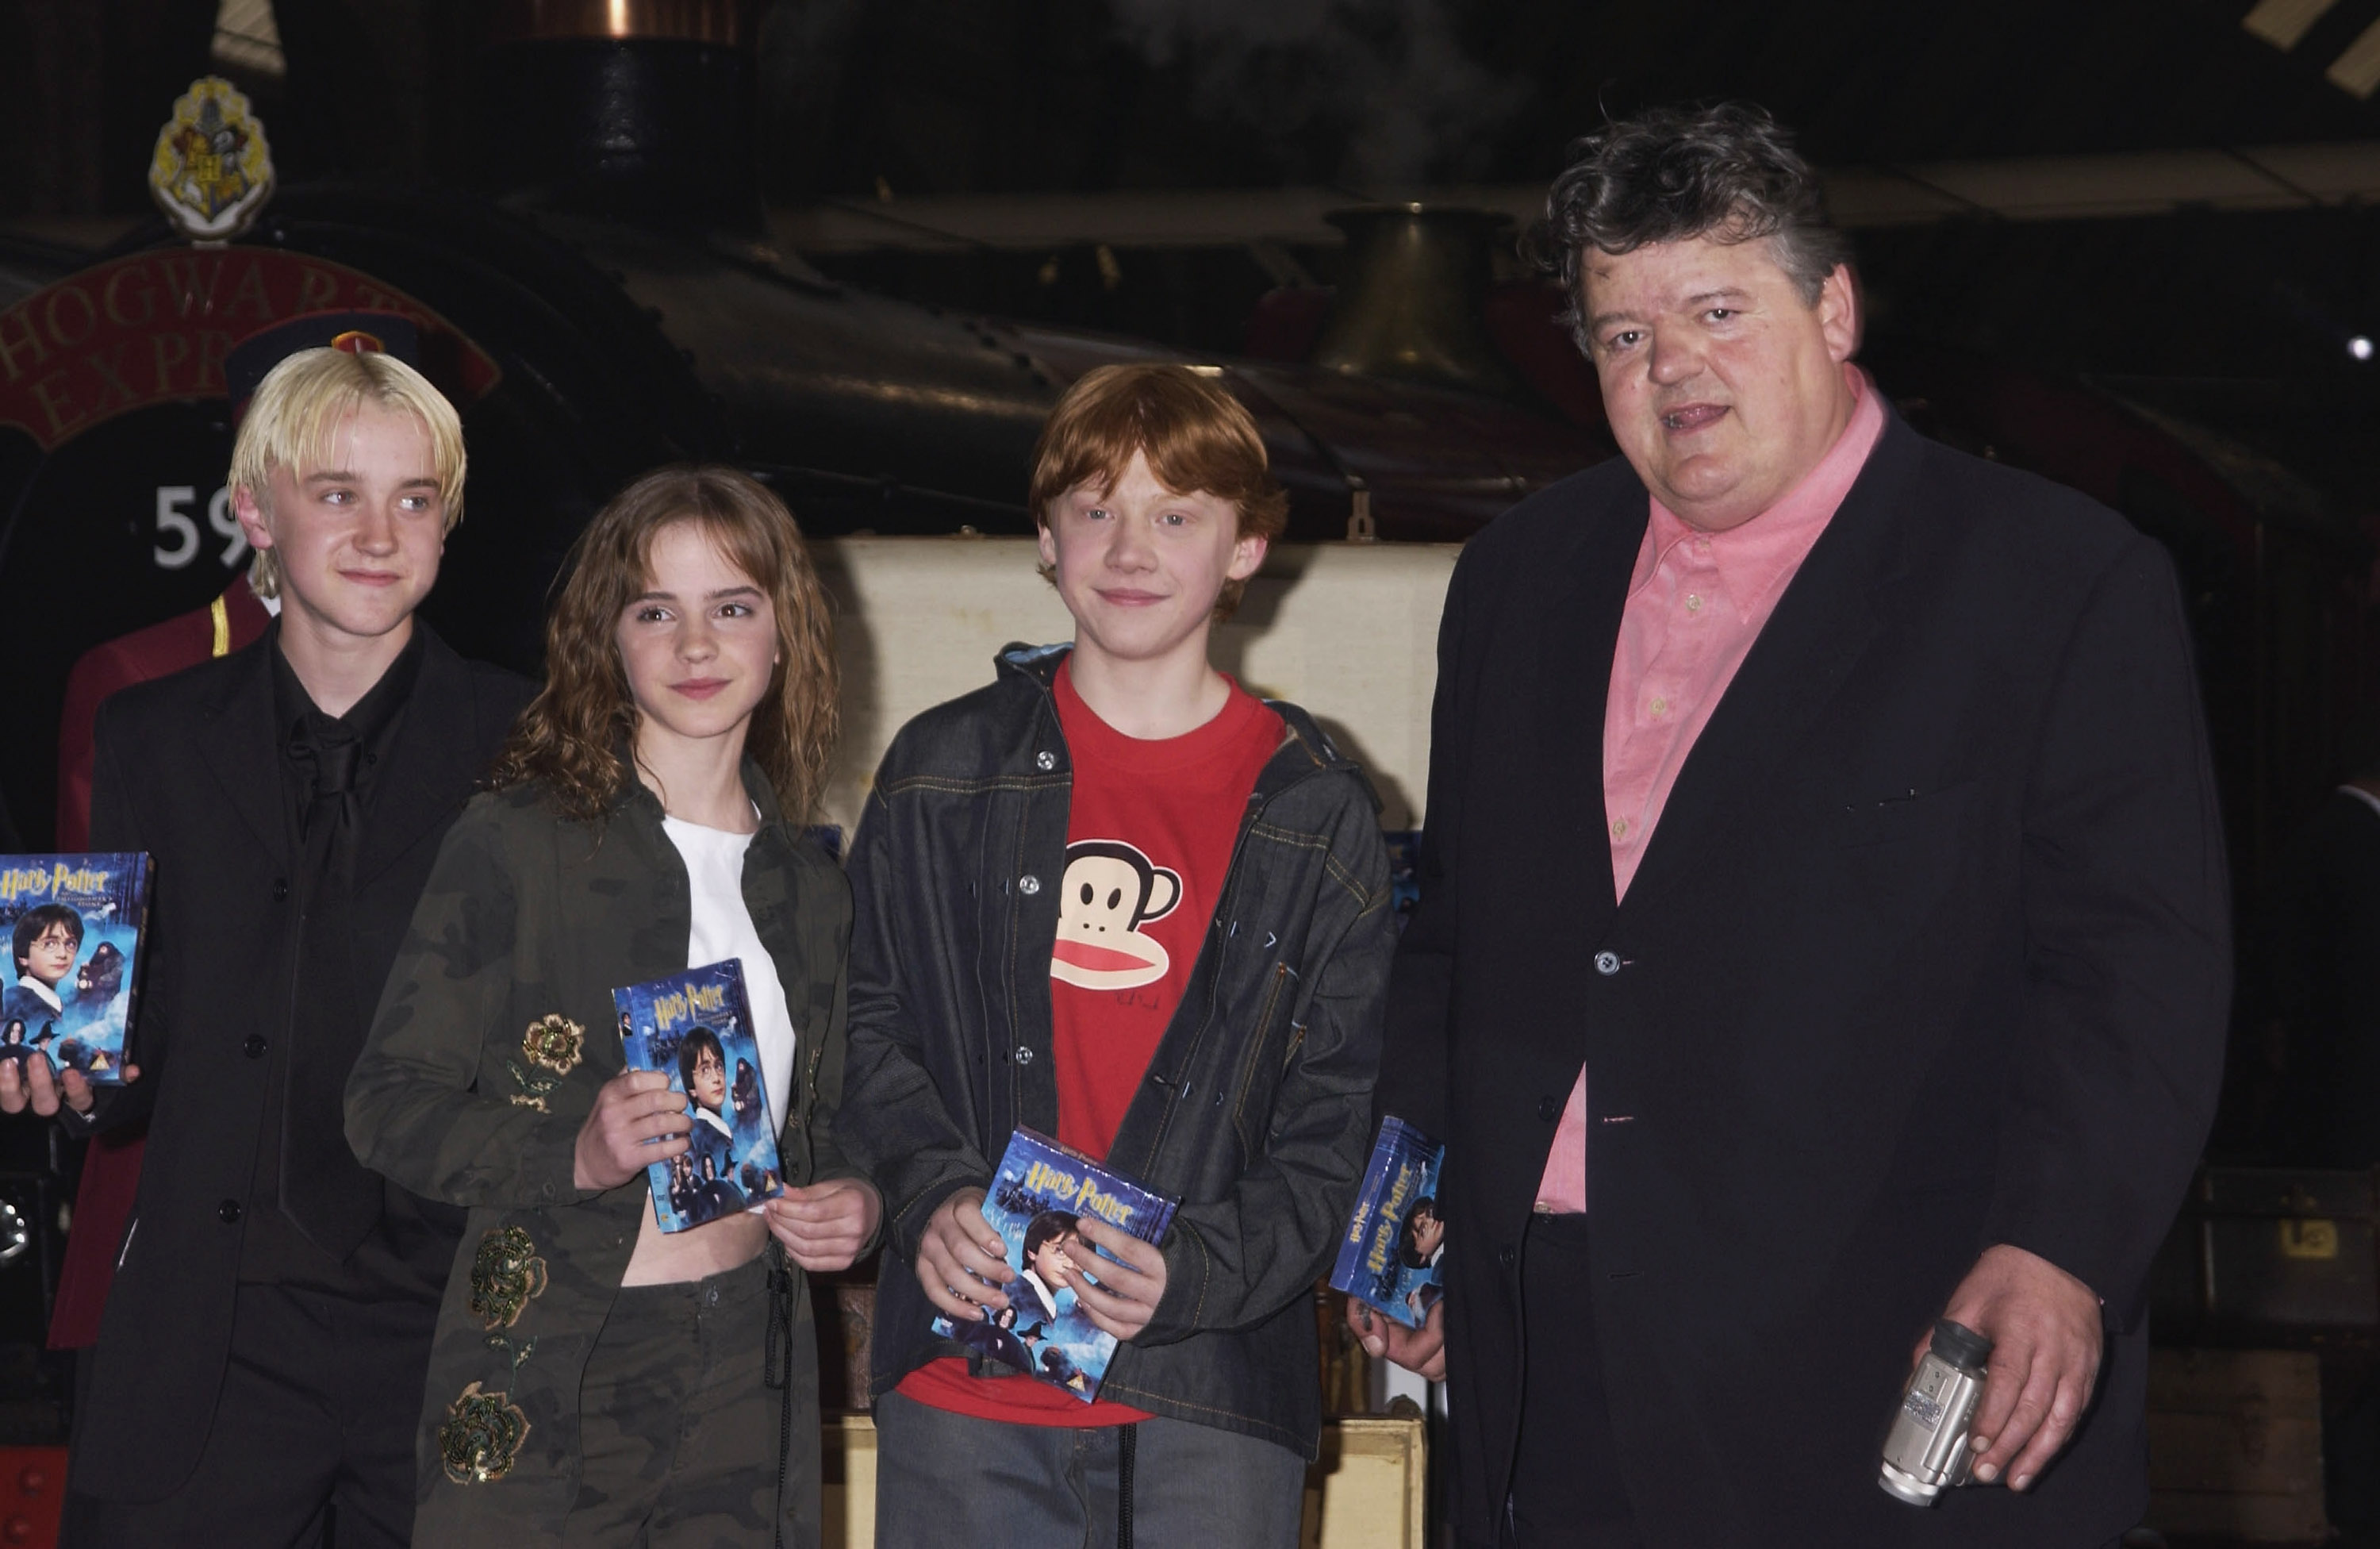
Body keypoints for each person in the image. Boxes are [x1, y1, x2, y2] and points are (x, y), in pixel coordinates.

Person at [1357, 103, 2230, 1547]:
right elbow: (1453, 932)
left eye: (1715, 308)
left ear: (1832, 307)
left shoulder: (2054, 580)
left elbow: (2139, 966)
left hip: (1889, 1358)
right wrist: (1422, 1193)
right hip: (1550, 1369)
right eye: (1622, 333)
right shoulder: (1522, 574)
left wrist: (2061, 1246)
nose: (1670, 366)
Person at [835, 362, 1397, 1545]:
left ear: (1245, 549)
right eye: (1096, 509)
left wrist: (1196, 1270)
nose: (1130, 547)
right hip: (963, 1387)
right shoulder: (940, 772)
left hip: (1211, 1397)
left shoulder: (1318, 813)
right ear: (1047, 540)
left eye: (1177, 513)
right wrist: (929, 1195)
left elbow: (1338, 1122)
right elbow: (863, 1029)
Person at [0, 339, 532, 1547]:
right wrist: (71, 1079)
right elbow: (123, 1036)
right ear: (253, 513)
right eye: (337, 494)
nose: (380, 532)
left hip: (448, 1336)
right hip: (208, 1343)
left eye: (414, 499)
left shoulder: (530, 746)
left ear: (449, 524)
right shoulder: (151, 736)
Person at [344, 465, 878, 1547]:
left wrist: (858, 1198)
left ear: (783, 639)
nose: (695, 646)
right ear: (608, 640)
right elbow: (385, 1105)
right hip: (555, 1362)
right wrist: (572, 1153)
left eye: (732, 608)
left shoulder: (812, 886)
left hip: (749, 1369)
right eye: (655, 611)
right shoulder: (517, 841)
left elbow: (836, 1120)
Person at [2, 904, 83, 1045]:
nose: (63, 954)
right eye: (50, 944)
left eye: (70, 944)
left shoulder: (56, 1002)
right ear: (23, 956)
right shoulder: (13, 1004)